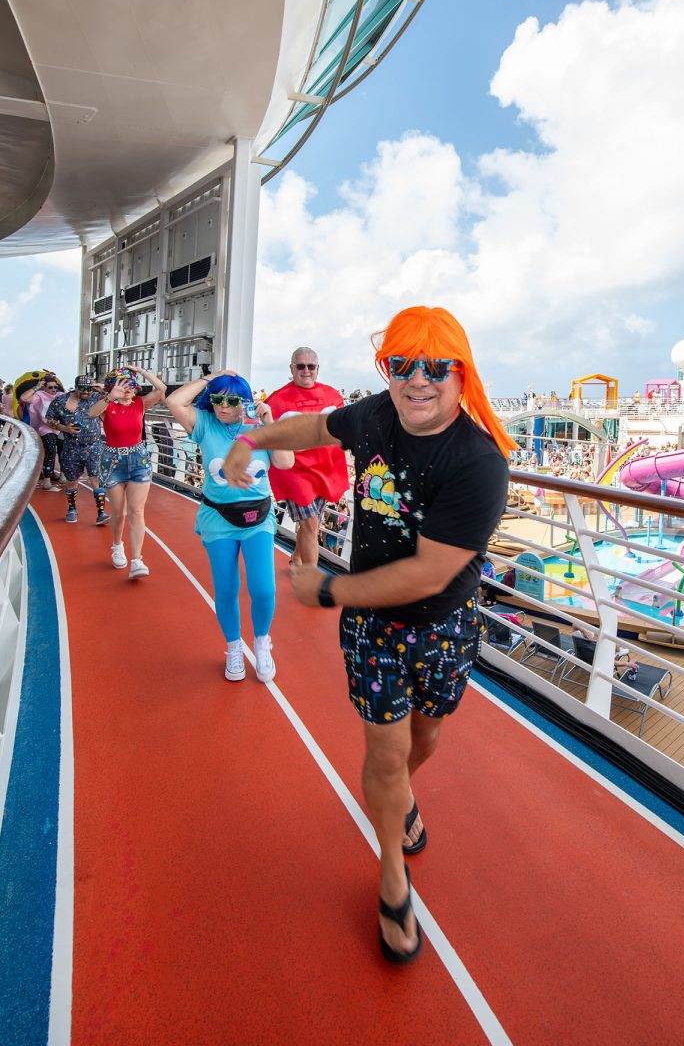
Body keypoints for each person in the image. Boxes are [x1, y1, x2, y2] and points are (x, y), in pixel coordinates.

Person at [222, 306, 515, 965]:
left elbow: (429, 574)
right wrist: (253, 440)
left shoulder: (478, 463)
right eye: (401, 365)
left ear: (461, 374)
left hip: (444, 625)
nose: (417, 379)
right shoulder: (376, 415)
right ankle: (391, 872)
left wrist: (326, 590)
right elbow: (314, 426)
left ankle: (397, 800)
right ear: (387, 371)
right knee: (384, 757)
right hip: (375, 629)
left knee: (424, 739)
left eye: (435, 366)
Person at [166, 370, 294, 683]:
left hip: (257, 518)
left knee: (263, 589)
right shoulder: (205, 423)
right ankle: (234, 646)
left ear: (246, 402)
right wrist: (213, 378)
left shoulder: (259, 427)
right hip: (218, 519)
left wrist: (270, 422)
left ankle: (261, 642)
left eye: (232, 401)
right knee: (226, 589)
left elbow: (285, 462)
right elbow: (175, 402)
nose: (223, 406)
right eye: (217, 399)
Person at [266, 347, 349, 567]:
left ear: (317, 368)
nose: (306, 370)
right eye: (300, 366)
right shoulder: (276, 400)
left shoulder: (333, 395)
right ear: (291, 368)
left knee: (311, 524)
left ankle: (297, 558)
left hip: (324, 472)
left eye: (310, 366)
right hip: (294, 472)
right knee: (311, 525)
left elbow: (344, 429)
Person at [89, 365, 166, 578]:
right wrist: (109, 397)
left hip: (138, 459)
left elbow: (161, 388)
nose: (127, 389)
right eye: (122, 385)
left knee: (136, 511)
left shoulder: (140, 404)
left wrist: (140, 371)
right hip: (112, 462)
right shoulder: (107, 406)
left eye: (130, 385)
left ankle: (137, 560)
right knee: (119, 512)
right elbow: (90, 413)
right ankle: (117, 546)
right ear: (113, 387)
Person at [46, 375, 111, 525]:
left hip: (94, 446)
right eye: (82, 389)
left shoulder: (96, 398)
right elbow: (49, 420)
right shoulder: (60, 401)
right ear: (75, 387)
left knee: (96, 478)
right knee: (72, 480)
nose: (86, 392)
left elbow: (113, 399)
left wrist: (102, 389)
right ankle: (71, 509)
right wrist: (65, 428)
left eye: (89, 389)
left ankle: (101, 513)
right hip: (71, 447)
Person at [27, 373, 64, 488]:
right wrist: (37, 386)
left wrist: (58, 382)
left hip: (61, 428)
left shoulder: (61, 395)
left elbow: (73, 398)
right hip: (45, 428)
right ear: (44, 388)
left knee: (63, 452)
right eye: (50, 387)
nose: (53, 389)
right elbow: (24, 398)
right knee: (51, 451)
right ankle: (47, 478)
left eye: (55, 387)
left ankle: (63, 474)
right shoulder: (39, 396)